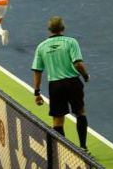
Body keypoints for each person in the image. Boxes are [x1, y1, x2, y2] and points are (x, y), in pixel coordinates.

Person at [32, 16, 91, 151]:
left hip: (55, 86)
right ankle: (83, 147)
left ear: (49, 29)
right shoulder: (71, 42)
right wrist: (85, 76)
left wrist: (37, 92)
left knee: (58, 120)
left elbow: (37, 71)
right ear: (63, 28)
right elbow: (78, 63)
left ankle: (62, 151)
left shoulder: (41, 47)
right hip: (72, 83)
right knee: (80, 113)